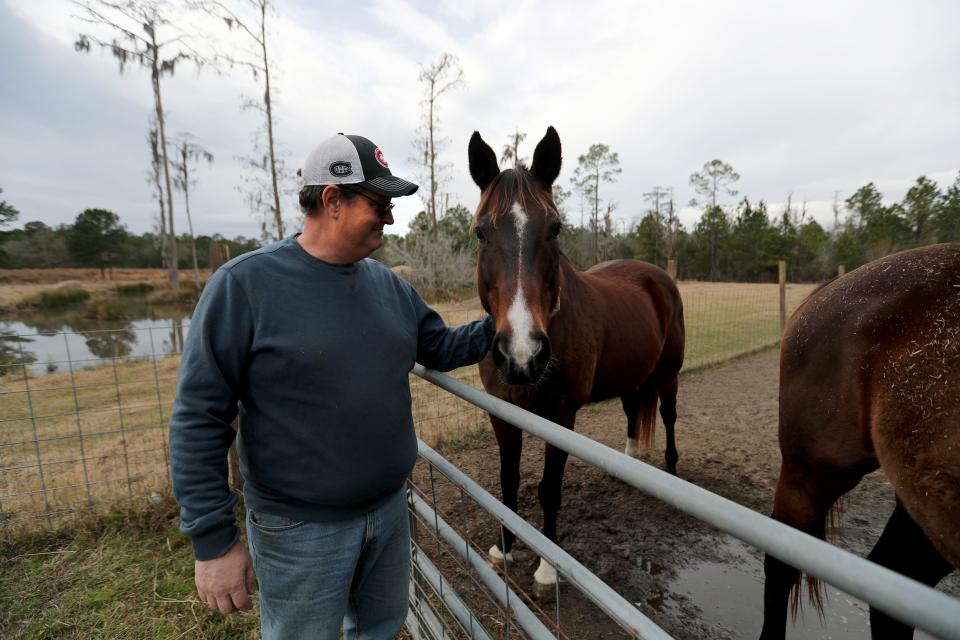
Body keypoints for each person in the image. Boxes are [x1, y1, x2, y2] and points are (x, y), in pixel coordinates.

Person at [168, 133, 494, 639]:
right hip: (299, 529)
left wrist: (512, 322)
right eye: (380, 204)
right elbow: (198, 416)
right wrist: (213, 541)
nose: (389, 219)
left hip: (387, 512)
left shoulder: (390, 287)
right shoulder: (245, 287)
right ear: (332, 200)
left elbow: (441, 348)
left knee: (379, 630)